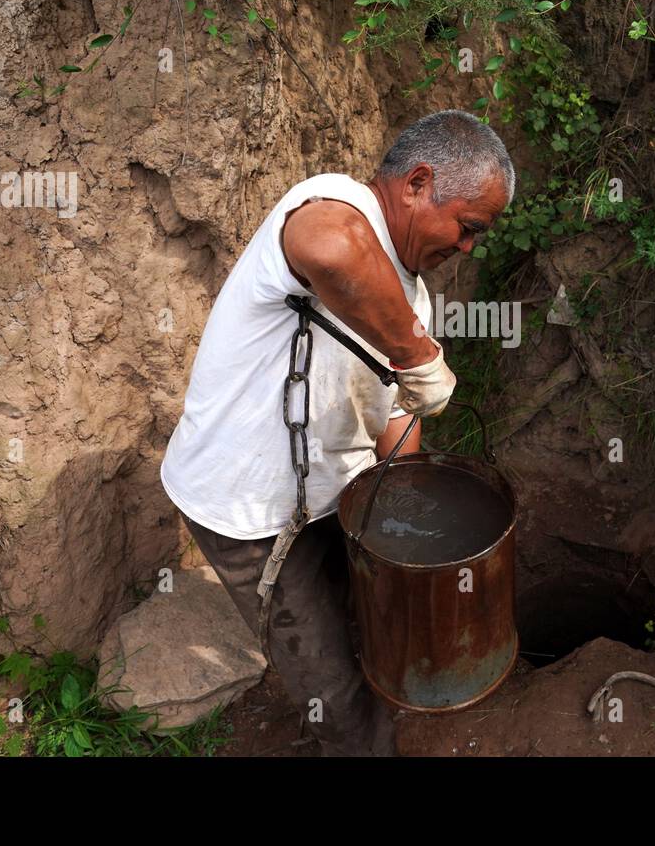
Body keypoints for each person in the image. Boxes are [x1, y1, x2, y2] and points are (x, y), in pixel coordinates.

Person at [160, 109, 514, 755]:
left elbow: (396, 416)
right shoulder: (332, 205)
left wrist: (405, 512)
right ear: (417, 184)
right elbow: (330, 250)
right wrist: (418, 355)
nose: (467, 247)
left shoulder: (413, 300)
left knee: (367, 627)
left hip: (339, 498)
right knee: (333, 684)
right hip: (250, 511)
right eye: (468, 227)